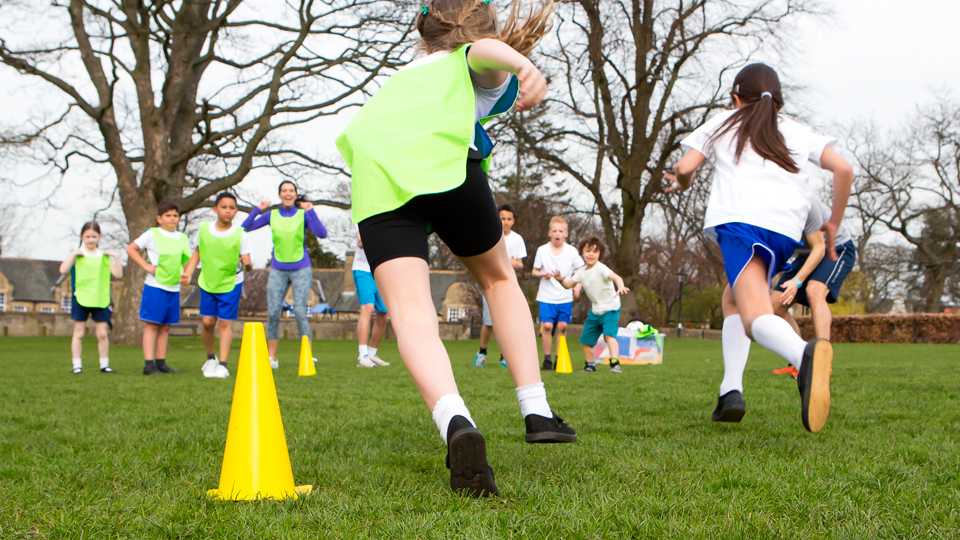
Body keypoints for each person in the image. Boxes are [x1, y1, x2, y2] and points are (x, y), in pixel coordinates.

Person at [335, 0, 577, 498]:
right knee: (497, 278)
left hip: (379, 177)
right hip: (445, 165)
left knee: (410, 313)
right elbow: (480, 53)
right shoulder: (466, 61)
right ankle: (535, 408)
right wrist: (522, 63)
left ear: (422, 35)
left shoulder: (398, 80)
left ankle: (455, 422)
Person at [665, 63, 853, 433]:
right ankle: (729, 391)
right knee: (732, 298)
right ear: (776, 101)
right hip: (784, 233)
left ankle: (805, 357)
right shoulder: (797, 130)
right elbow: (843, 169)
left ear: (736, 98)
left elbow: (686, 167)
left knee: (753, 319)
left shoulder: (724, 122)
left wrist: (681, 181)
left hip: (741, 228)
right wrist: (833, 219)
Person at [242, 181, 327, 369]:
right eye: (284, 191)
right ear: (280, 195)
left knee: (299, 311)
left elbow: (322, 234)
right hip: (278, 269)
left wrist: (311, 210)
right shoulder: (271, 215)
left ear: (296, 195)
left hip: (301, 269)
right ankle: (272, 357)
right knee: (273, 312)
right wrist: (257, 209)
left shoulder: (304, 215)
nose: (288, 193)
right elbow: (244, 228)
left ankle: (307, 354)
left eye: (291, 190)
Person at [180, 192, 253, 379]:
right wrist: (188, 273)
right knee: (207, 322)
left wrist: (248, 263)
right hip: (208, 282)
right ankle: (211, 359)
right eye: (224, 207)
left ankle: (223, 364)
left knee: (224, 322)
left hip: (230, 282)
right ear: (215, 209)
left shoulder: (240, 234)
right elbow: (197, 252)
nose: (228, 211)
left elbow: (248, 266)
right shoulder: (203, 229)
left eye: (232, 208)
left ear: (236, 211)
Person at [773, 200, 856, 341]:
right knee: (774, 308)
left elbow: (819, 248)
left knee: (814, 290)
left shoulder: (806, 204)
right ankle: (799, 356)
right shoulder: (766, 213)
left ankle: (822, 357)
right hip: (805, 255)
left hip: (835, 248)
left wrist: (796, 281)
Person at [126, 201, 192, 376]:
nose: (172, 218)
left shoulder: (183, 238)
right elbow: (131, 249)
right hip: (155, 286)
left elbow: (187, 261)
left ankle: (161, 363)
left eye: (175, 215)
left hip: (174, 287)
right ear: (159, 218)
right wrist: (146, 266)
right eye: (168, 215)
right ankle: (149, 365)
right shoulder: (152, 234)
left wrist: (187, 274)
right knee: (152, 325)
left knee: (166, 327)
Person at [552, 236, 630, 373]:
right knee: (586, 340)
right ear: (581, 253)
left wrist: (621, 287)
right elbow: (568, 285)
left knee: (609, 336)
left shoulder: (601, 268)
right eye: (588, 251)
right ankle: (590, 365)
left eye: (595, 251)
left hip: (611, 308)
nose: (591, 254)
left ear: (600, 254)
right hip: (596, 311)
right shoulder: (581, 272)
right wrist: (560, 280)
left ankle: (615, 364)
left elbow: (617, 277)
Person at [60, 221, 123, 374]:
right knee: (79, 333)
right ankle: (77, 366)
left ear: (99, 237)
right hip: (81, 297)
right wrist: (73, 254)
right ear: (82, 237)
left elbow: (118, 274)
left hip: (100, 298)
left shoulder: (104, 256)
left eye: (94, 236)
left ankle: (104, 365)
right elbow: (63, 270)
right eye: (87, 236)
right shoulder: (77, 254)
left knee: (102, 334)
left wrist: (115, 256)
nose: (90, 240)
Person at [474, 203, 526, 368]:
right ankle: (482, 352)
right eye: (502, 218)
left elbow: (520, 264)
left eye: (509, 219)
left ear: (513, 221)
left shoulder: (517, 239)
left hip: (508, 284)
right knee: (489, 322)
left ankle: (505, 356)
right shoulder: (490, 235)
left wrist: (513, 263)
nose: (505, 222)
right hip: (490, 283)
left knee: (507, 320)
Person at [531, 216, 583, 371]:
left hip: (565, 295)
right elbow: (534, 271)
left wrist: (577, 288)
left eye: (560, 231)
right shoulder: (542, 250)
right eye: (554, 231)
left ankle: (559, 358)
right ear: (549, 233)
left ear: (566, 233)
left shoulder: (571, 251)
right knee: (547, 326)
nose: (557, 234)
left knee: (562, 327)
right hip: (546, 295)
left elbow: (581, 271)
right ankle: (547, 359)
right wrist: (543, 274)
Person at [353, 228, 390, 368]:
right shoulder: (364, 219)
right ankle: (362, 356)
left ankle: (372, 354)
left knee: (383, 315)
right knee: (367, 308)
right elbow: (361, 243)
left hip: (382, 270)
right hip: (363, 270)